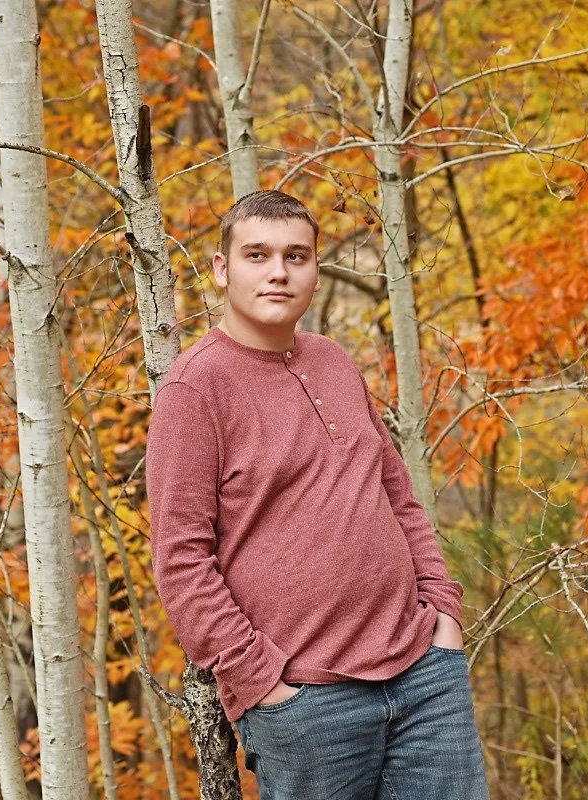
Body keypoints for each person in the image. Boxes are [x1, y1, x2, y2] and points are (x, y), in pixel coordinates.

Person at [145, 189, 490, 799]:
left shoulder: (334, 361)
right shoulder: (195, 391)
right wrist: (260, 679)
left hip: (423, 675)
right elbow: (180, 560)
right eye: (257, 254)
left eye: (296, 256)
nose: (279, 272)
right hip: (307, 703)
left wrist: (442, 610)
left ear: (314, 268)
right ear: (222, 269)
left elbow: (397, 495)